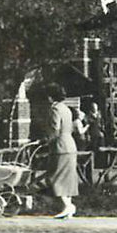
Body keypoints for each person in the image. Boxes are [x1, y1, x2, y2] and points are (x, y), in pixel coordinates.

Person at [41, 82, 78, 220]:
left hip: (60, 146)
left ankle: (67, 206)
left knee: (55, 177)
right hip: (70, 145)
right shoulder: (66, 109)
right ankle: (68, 206)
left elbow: (55, 129)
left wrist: (46, 140)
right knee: (65, 178)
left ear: (50, 97)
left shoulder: (55, 109)